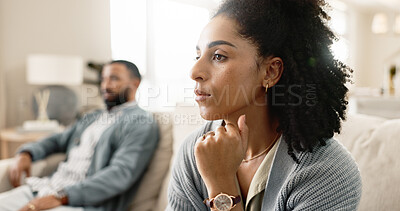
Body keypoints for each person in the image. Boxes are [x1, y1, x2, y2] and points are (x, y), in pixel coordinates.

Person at [167, 0, 361, 210]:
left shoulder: (327, 173)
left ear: (270, 72)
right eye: (198, 56)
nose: (194, 71)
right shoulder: (192, 152)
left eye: (218, 56)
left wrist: (221, 185)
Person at [0, 60, 159, 211]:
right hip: (44, 188)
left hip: (80, 204)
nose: (105, 85)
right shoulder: (93, 116)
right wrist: (26, 153)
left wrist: (61, 196)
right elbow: (57, 139)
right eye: (103, 79)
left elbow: (120, 174)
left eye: (114, 78)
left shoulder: (141, 122)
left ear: (135, 83)